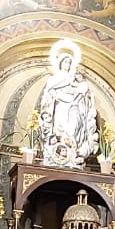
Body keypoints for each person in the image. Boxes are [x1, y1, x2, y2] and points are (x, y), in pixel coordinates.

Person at [37, 39, 99, 167]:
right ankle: (57, 150)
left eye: (69, 62)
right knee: (59, 127)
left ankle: (73, 152)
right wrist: (53, 97)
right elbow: (48, 94)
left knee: (73, 126)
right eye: (65, 62)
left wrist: (84, 97)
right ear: (60, 63)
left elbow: (81, 93)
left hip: (73, 106)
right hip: (60, 106)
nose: (67, 64)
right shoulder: (54, 79)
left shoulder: (74, 80)